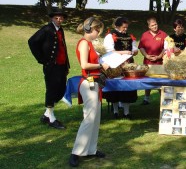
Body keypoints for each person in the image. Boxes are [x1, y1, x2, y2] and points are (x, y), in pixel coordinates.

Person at [69, 17, 109, 167]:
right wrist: (100, 64)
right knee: (89, 118)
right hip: (88, 82)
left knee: (95, 117)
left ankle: (91, 149)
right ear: (89, 29)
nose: (98, 33)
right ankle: (76, 152)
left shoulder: (90, 44)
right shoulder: (84, 43)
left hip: (94, 82)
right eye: (97, 30)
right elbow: (84, 64)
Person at [28, 9, 69, 130]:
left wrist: (66, 64)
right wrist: (42, 59)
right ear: (52, 18)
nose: (59, 20)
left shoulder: (60, 29)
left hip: (61, 65)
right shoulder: (46, 29)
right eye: (56, 18)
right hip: (52, 66)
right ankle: (51, 119)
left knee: (61, 90)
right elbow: (32, 42)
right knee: (52, 89)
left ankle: (46, 114)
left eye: (61, 18)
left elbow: (63, 48)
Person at [103, 17, 138, 119]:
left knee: (127, 87)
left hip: (128, 65)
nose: (125, 29)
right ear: (117, 26)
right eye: (124, 27)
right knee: (115, 88)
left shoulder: (129, 36)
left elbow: (135, 49)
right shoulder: (110, 36)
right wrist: (123, 52)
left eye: (127, 27)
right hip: (115, 66)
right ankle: (115, 111)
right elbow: (108, 51)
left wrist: (133, 52)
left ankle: (126, 112)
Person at [138, 17, 167, 105]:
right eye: (152, 25)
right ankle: (146, 98)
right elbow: (141, 47)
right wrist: (146, 55)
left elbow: (166, 48)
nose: (155, 26)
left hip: (159, 62)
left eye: (156, 24)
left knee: (160, 81)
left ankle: (164, 99)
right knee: (148, 81)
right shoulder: (145, 35)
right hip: (148, 62)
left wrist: (159, 57)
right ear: (149, 26)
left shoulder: (163, 34)